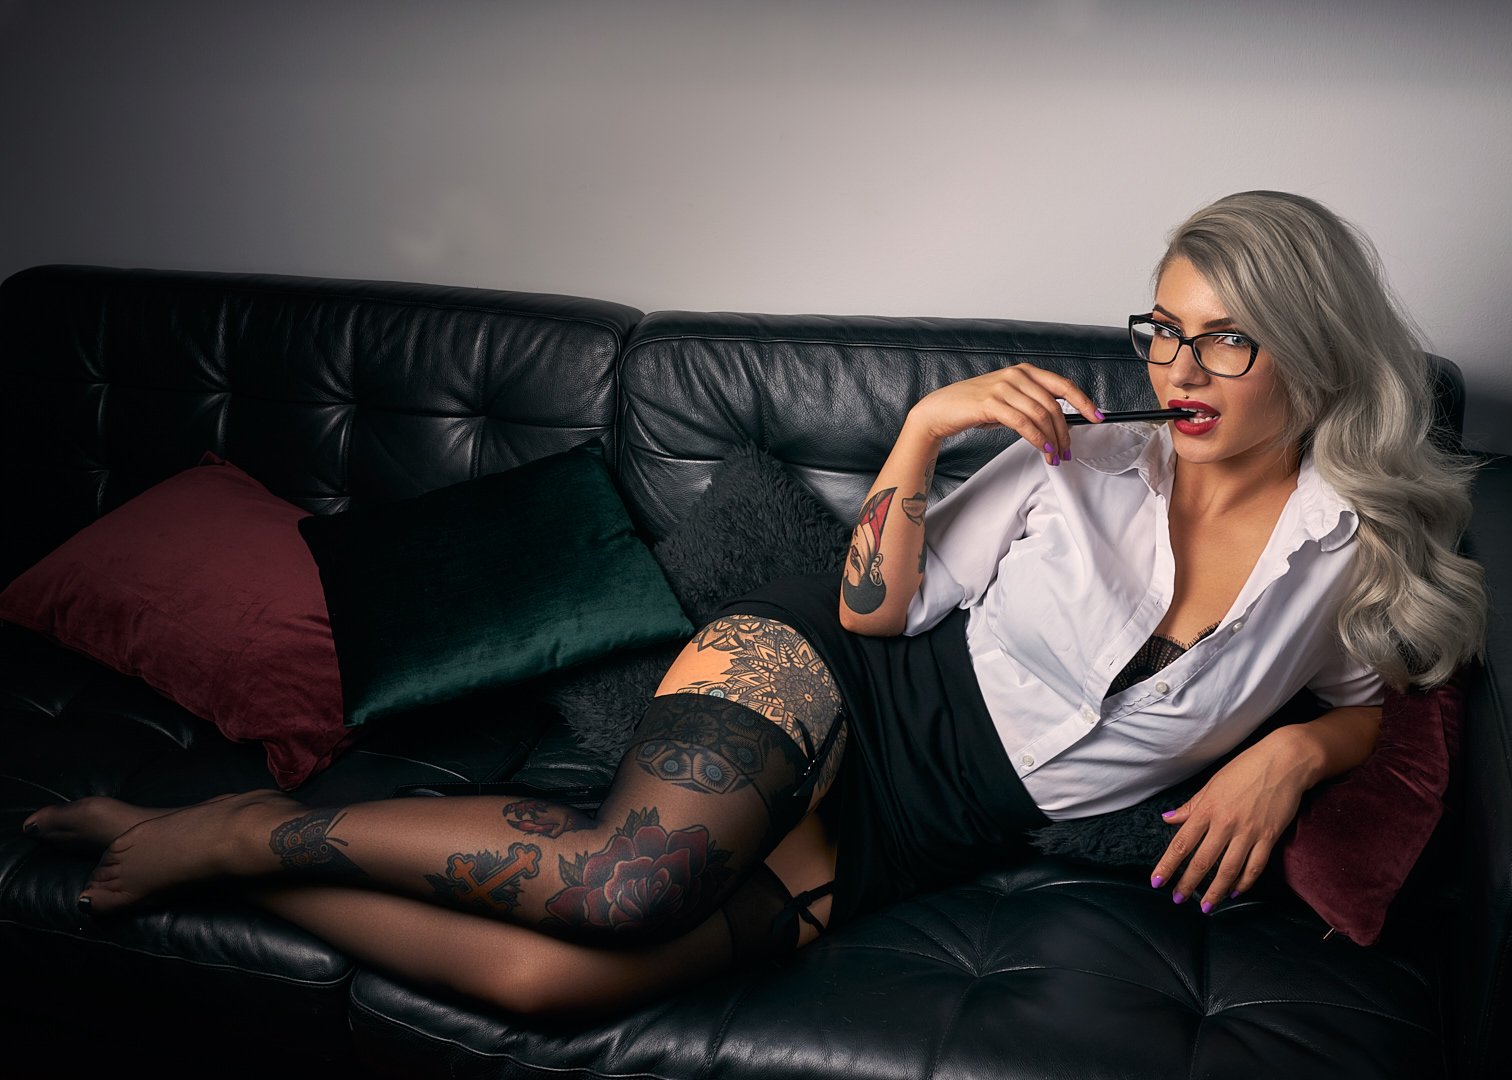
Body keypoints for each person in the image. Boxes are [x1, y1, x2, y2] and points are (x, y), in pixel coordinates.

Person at [22, 191, 1485, 1016]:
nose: (1176, 370)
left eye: (1225, 342)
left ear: (1312, 350)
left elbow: (1374, 700)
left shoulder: (1355, 550)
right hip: (823, 681)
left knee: (545, 983)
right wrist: (923, 432)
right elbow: (872, 613)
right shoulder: (1079, 462)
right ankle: (234, 827)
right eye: (1164, 329)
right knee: (622, 885)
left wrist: (1298, 751)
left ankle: (238, 870)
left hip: (922, 832)